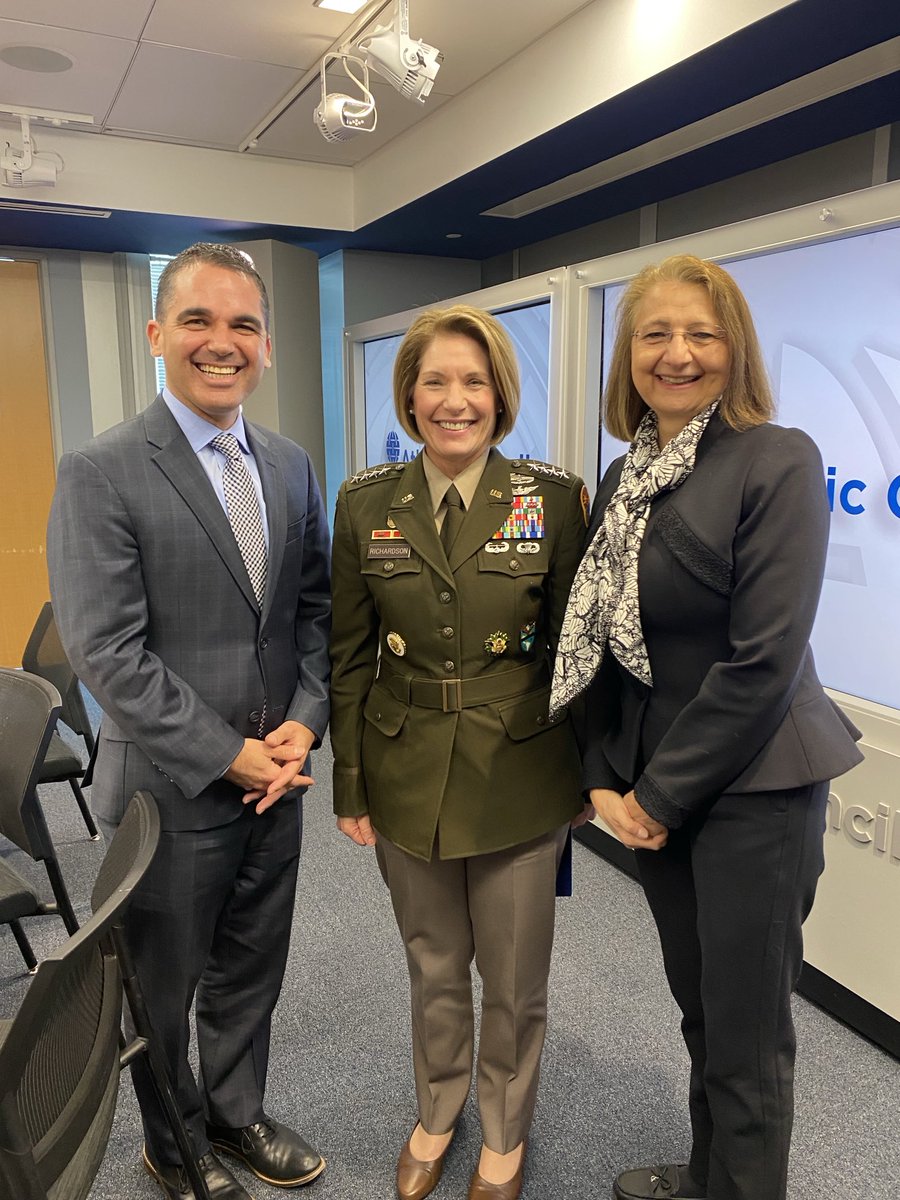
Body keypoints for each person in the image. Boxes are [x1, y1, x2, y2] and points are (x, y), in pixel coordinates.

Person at [550, 254, 863, 1200]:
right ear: (628, 355)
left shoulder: (779, 458)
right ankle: (707, 1176)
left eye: (701, 333)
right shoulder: (627, 472)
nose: (677, 353)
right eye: (655, 334)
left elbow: (766, 659)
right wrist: (603, 774)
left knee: (749, 1037)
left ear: (736, 349)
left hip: (755, 792)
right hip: (657, 791)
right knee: (702, 1012)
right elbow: (606, 642)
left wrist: (658, 791)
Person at [47, 243, 331, 1200]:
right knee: (160, 988)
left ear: (266, 342)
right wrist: (228, 754)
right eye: (201, 322)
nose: (224, 342)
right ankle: (173, 1142)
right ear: (158, 334)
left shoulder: (290, 466)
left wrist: (305, 720)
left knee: (253, 965)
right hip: (169, 790)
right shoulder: (103, 471)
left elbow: (314, 613)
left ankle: (236, 1115)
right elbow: (107, 653)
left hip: (276, 781)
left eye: (244, 324)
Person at [329, 304, 590, 1200]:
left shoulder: (552, 498)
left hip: (520, 769)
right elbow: (349, 655)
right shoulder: (367, 502)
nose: (454, 400)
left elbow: (573, 649)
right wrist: (349, 785)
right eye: (434, 381)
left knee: (514, 978)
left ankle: (505, 1136)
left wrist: (586, 778)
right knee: (433, 961)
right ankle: (438, 1110)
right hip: (403, 771)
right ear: (409, 395)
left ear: (500, 394)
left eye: (472, 381)